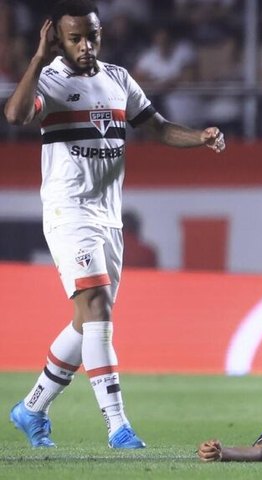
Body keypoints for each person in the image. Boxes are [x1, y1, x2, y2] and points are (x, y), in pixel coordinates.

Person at [4, 0, 226, 449]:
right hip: (70, 212)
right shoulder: (49, 79)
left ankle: (31, 408)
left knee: (87, 323)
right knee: (99, 311)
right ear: (57, 39)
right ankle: (117, 425)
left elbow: (159, 128)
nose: (86, 46)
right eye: (75, 38)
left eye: (92, 36)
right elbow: (16, 115)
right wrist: (36, 59)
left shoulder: (118, 79)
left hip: (109, 216)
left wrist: (199, 138)